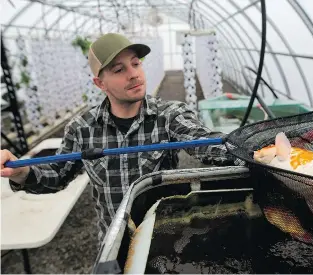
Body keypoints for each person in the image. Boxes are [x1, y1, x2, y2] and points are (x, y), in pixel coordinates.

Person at [0, 33, 245, 245]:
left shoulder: (169, 115)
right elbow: (57, 175)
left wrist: (250, 148)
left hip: (165, 235)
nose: (133, 74)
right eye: (119, 70)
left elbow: (206, 142)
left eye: (136, 64)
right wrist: (21, 173)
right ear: (99, 83)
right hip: (113, 241)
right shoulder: (82, 129)